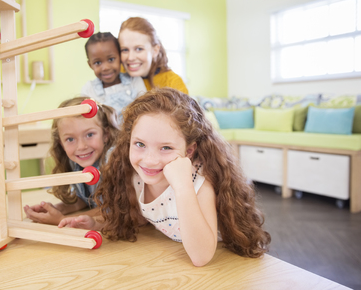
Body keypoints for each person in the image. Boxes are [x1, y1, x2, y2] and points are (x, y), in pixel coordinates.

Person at [59, 88, 271, 267]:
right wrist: (96, 224)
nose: (150, 160)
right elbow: (140, 216)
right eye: (140, 144)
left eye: (166, 147)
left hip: (224, 269)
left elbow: (201, 257)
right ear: (128, 141)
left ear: (189, 151)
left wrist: (183, 187)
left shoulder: (199, 185)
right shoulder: (134, 174)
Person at [23, 97, 119, 225]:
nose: (81, 146)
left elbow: (112, 210)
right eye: (70, 139)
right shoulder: (76, 161)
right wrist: (57, 209)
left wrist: (62, 220)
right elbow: (85, 200)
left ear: (105, 134)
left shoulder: (112, 161)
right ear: (61, 143)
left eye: (89, 135)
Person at [81, 32, 146, 122]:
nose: (106, 68)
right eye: (98, 63)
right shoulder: (89, 89)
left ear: (120, 57)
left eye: (111, 59)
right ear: (90, 65)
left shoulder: (134, 81)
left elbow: (145, 111)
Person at [118, 17, 189, 94]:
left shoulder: (173, 83)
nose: (130, 57)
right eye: (125, 50)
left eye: (139, 49)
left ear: (155, 51)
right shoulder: (116, 75)